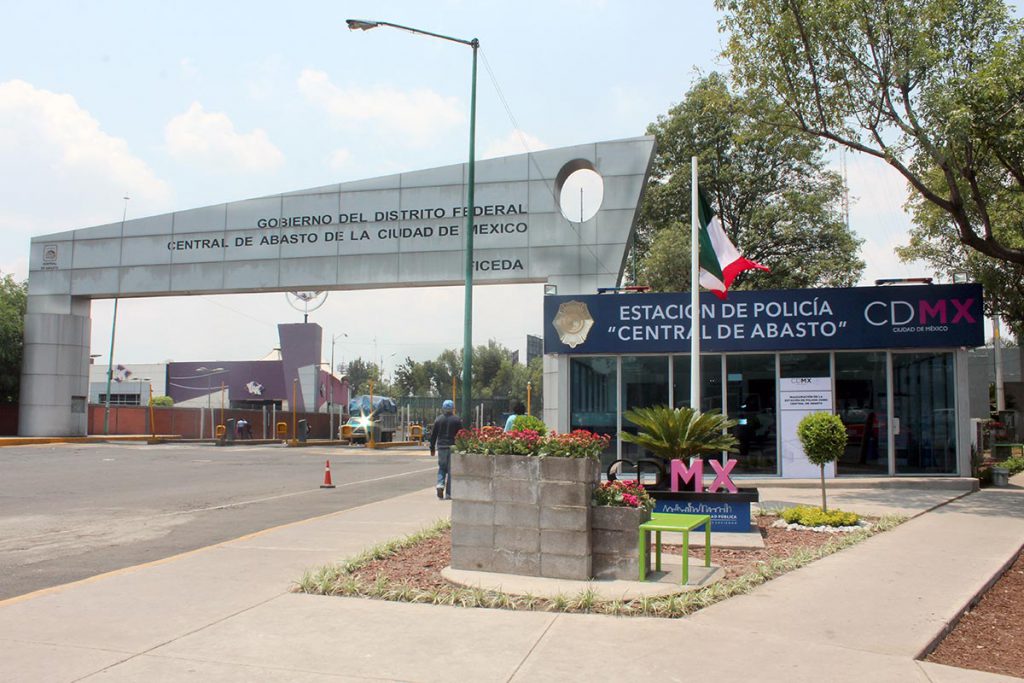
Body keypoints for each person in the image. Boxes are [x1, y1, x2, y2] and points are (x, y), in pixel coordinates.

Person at [429, 399, 463, 500]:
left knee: (442, 468)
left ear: (443, 408)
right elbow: (461, 435)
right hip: (453, 447)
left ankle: (440, 485)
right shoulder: (457, 420)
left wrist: (432, 448)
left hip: (441, 447)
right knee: (451, 470)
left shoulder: (438, 420)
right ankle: (449, 493)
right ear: (453, 408)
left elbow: (433, 435)